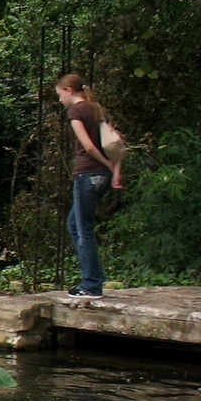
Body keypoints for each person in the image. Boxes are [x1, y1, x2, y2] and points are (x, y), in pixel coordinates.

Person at [56, 73, 123, 297]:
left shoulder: (75, 111)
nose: (60, 100)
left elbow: (89, 147)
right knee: (74, 224)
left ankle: (91, 284)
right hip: (101, 176)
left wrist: (108, 166)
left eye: (60, 95)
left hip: (88, 174)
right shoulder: (97, 109)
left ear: (68, 91)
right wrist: (114, 170)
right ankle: (93, 277)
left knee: (83, 228)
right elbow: (116, 144)